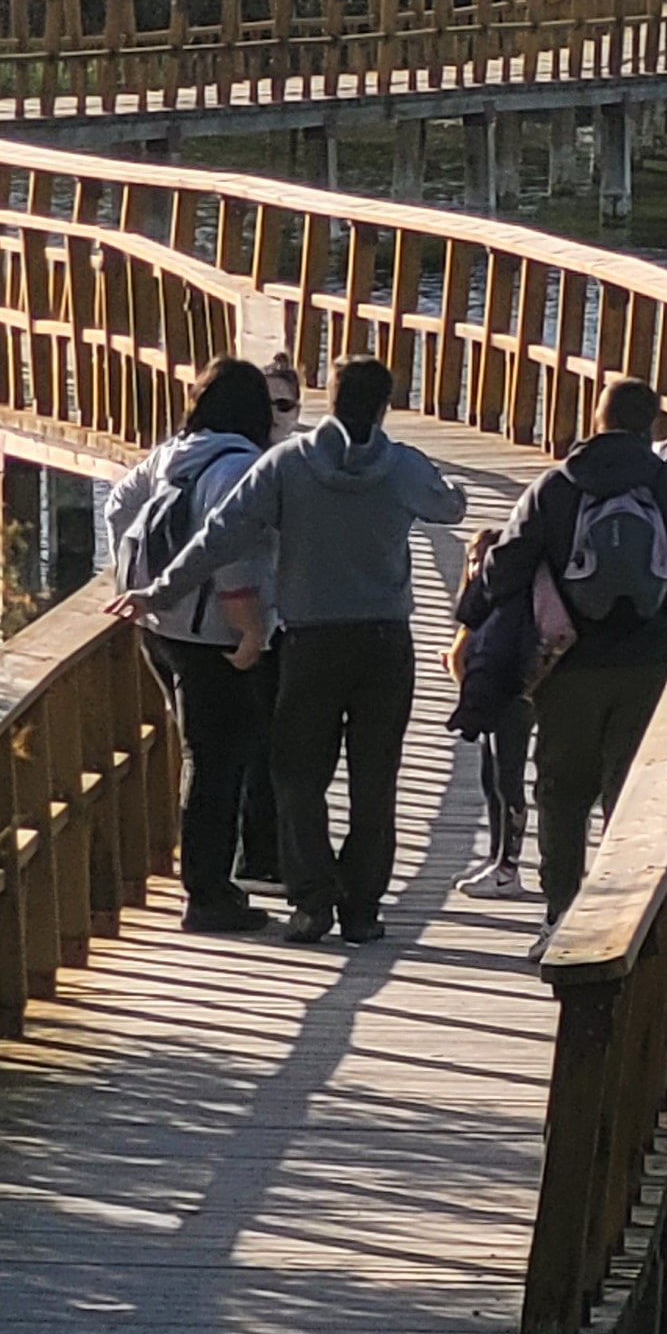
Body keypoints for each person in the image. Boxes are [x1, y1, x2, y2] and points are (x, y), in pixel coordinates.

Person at [128, 356, 463, 946]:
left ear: (328, 401)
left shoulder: (285, 464)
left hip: (310, 641)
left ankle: (311, 904)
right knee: (374, 776)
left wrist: (157, 591)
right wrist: (450, 486)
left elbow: (218, 538)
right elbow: (450, 508)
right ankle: (361, 908)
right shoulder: (403, 466)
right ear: (385, 405)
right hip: (386, 642)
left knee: (297, 776)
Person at [478, 377, 667, 917]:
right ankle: (626, 917)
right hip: (651, 663)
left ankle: (560, 913)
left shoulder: (556, 487)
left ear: (596, 418)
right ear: (651, 424)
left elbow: (504, 568)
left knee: (562, 793)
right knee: (631, 794)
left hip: (570, 666)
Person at [100, 361, 279, 934]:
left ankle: (211, 885)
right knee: (217, 763)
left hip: (162, 628)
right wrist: (249, 628)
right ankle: (207, 894)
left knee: (204, 755)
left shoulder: (170, 455)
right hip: (214, 636)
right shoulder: (239, 468)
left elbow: (117, 509)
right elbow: (233, 554)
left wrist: (133, 583)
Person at [232, 352, 308, 889]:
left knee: (276, 744)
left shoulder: (299, 463)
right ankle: (256, 856)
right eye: (268, 404)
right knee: (253, 744)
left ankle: (269, 853)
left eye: (286, 404)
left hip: (287, 622)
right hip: (242, 622)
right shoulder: (240, 465)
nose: (277, 415)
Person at [444, 526, 538, 897]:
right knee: (490, 775)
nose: (477, 566)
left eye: (485, 559)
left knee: (508, 775)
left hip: (514, 692)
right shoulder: (478, 603)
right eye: (472, 560)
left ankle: (509, 866)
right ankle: (496, 856)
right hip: (491, 694)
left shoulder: (507, 602)